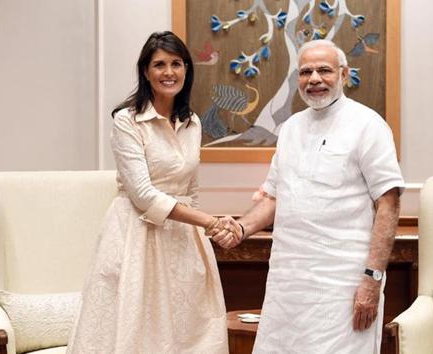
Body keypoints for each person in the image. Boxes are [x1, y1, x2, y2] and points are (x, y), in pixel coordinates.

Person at [210, 39, 405, 353]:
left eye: (324, 70)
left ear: (343, 74)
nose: (314, 79)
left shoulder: (368, 125)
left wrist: (372, 279)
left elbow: (389, 203)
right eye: (306, 72)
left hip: (343, 284)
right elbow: (274, 197)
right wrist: (242, 228)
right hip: (288, 283)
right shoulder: (289, 129)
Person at [68, 31, 233, 353]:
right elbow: (142, 194)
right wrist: (210, 222)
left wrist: (205, 231)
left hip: (183, 238)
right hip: (136, 234)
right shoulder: (127, 120)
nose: (168, 72)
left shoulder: (192, 122)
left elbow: (191, 188)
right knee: (135, 327)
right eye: (159, 65)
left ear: (187, 69)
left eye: (176, 64)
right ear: (145, 71)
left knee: (190, 329)